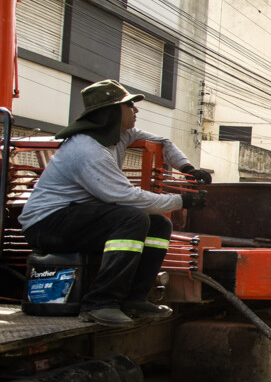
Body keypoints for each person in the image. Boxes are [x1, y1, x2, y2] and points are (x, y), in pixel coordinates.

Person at [18, 80, 211, 327]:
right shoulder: (87, 150)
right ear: (111, 111)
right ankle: (100, 303)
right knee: (133, 218)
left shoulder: (118, 136)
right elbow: (126, 197)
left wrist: (187, 168)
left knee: (159, 225)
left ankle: (134, 299)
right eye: (130, 105)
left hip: (74, 216)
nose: (136, 111)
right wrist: (181, 200)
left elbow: (162, 141)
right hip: (46, 224)